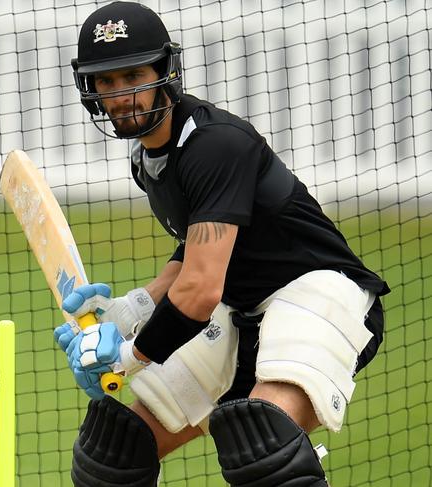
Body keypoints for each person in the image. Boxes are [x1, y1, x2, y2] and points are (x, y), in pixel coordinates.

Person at [53, 2, 390, 486]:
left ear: (165, 72)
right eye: (105, 82)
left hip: (317, 293)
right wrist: (134, 308)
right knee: (112, 457)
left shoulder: (214, 144)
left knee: (265, 452)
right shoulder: (147, 157)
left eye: (132, 76)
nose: (120, 95)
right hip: (241, 309)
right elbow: (198, 247)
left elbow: (200, 289)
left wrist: (127, 356)